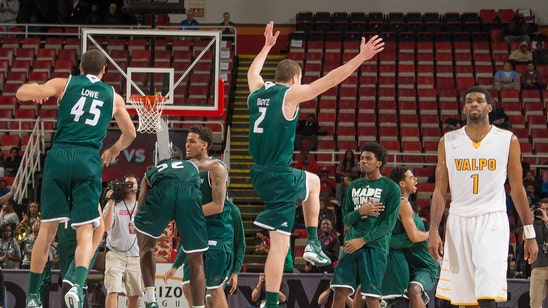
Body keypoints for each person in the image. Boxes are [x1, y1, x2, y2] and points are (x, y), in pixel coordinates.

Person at [247, 22, 383, 307]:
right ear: (296, 78)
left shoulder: (256, 93)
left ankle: (308, 249)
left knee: (307, 193)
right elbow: (330, 80)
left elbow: (253, 72)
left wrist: (267, 47)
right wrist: (361, 58)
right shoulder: (290, 95)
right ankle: (309, 247)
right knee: (285, 236)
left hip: (258, 174)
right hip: (279, 175)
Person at [17, 49, 137, 308]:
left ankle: (34, 296)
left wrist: (37, 92)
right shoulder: (113, 96)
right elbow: (130, 133)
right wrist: (113, 150)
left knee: (47, 231)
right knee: (87, 230)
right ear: (104, 71)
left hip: (59, 155)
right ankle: (77, 285)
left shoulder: (64, 83)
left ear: (80, 66)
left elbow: (22, 93)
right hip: (88, 158)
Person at [428, 86, 538, 307]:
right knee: (464, 298)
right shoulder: (448, 141)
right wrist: (433, 230)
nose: (474, 104)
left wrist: (530, 233)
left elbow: (517, 190)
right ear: (464, 108)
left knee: (487, 291)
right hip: (458, 220)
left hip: (492, 219)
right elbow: (440, 191)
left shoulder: (507, 139)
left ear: (489, 107)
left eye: (479, 101)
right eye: (469, 101)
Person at [134, 153, 222, 308]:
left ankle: (151, 299)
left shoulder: (152, 172)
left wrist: (143, 226)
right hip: (188, 193)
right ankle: (199, 306)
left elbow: (141, 204)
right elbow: (215, 165)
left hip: (162, 191)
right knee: (196, 258)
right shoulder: (192, 164)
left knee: (146, 247)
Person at [164, 126, 231, 308]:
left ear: (204, 145)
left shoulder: (216, 168)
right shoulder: (186, 171)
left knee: (214, 289)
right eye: (186, 141)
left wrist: (187, 214)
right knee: (193, 289)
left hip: (216, 235)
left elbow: (218, 206)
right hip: (195, 236)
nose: (187, 144)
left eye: (192, 141)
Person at [330, 142, 400, 308]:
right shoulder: (354, 185)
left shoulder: (391, 188)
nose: (363, 161)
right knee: (340, 292)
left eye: (368, 158)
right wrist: (361, 211)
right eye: (361, 158)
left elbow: (387, 225)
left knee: (371, 296)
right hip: (351, 245)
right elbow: (346, 220)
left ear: (379, 163)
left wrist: (363, 240)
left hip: (375, 247)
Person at [384, 166, 438, 307]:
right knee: (376, 295)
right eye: (411, 177)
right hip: (405, 263)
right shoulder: (396, 203)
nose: (416, 179)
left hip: (424, 265)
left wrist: (431, 235)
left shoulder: (403, 204)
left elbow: (413, 237)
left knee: (414, 291)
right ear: (402, 183)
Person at [103, 175, 142, 308]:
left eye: (133, 183)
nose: (130, 186)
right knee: (113, 289)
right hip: (115, 254)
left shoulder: (142, 206)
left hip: (136, 255)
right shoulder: (115, 205)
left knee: (134, 294)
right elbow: (106, 227)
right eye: (127, 184)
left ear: (138, 186)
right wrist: (112, 201)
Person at [530, 198, 548, 308]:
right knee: (535, 303)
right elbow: (524, 238)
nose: (544, 211)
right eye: (542, 209)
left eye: (547, 209)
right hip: (538, 266)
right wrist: (529, 221)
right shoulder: (535, 224)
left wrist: (546, 221)